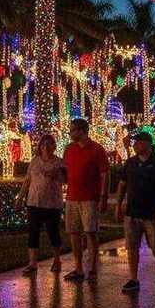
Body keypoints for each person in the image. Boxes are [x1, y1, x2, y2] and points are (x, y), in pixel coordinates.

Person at [115, 131, 155, 292]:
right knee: (132, 246)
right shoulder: (131, 163)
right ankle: (133, 278)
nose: (134, 145)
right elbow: (122, 184)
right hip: (132, 212)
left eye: (137, 142)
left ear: (146, 144)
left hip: (151, 213)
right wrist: (118, 205)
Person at [63, 118, 110, 282]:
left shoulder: (97, 149)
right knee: (74, 232)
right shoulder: (69, 149)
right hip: (71, 197)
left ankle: (92, 268)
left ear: (82, 131)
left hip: (90, 198)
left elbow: (104, 173)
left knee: (91, 232)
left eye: (73, 130)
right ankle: (78, 268)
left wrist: (103, 196)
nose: (70, 133)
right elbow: (65, 171)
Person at [16, 134, 67, 275]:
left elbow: (67, 179)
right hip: (34, 202)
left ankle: (57, 260)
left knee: (53, 233)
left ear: (54, 146)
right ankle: (32, 263)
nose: (46, 147)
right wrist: (20, 198)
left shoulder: (60, 162)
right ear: (40, 147)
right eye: (43, 144)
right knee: (33, 233)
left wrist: (57, 174)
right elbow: (27, 181)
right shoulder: (34, 162)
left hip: (52, 204)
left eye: (49, 144)